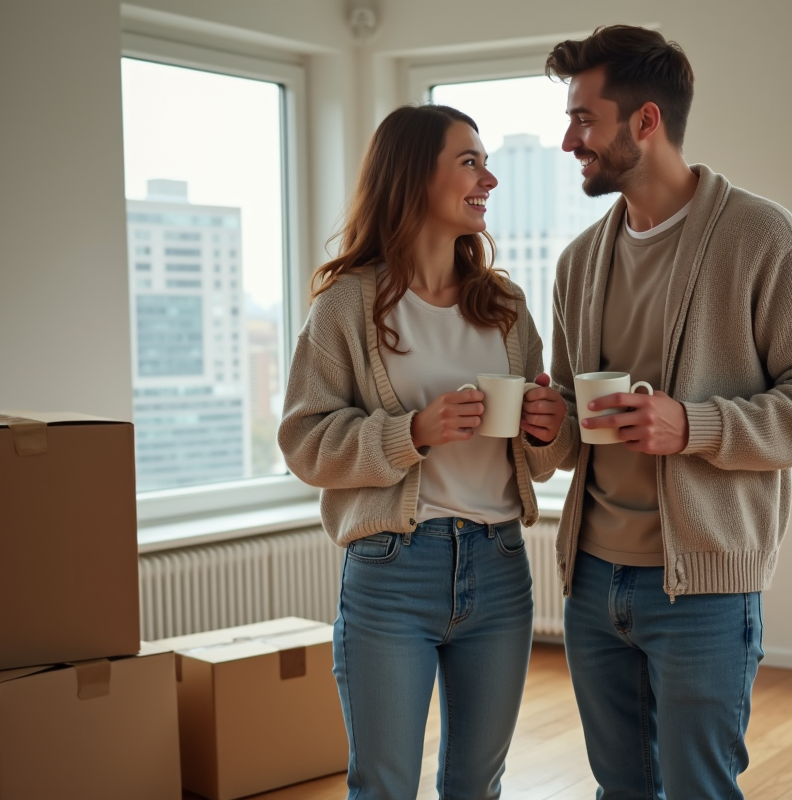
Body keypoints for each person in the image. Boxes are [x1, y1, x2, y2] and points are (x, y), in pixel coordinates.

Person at [523, 25, 792, 799]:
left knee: (699, 790)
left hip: (704, 589)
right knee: (622, 790)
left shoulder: (759, 235)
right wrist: (551, 423)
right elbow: (580, 434)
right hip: (592, 581)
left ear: (646, 121)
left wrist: (696, 426)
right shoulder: (580, 259)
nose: (568, 139)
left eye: (584, 118)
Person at [277, 104, 567, 800]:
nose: (489, 178)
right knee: (383, 786)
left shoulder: (504, 306)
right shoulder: (347, 305)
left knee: (477, 785)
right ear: (413, 178)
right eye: (470, 161)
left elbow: (546, 460)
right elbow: (305, 441)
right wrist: (412, 433)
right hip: (391, 573)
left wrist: (545, 426)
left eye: (485, 160)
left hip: (499, 569)